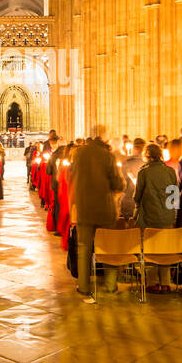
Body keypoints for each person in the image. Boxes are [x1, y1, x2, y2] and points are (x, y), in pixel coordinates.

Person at [67, 125, 125, 301]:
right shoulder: (107, 156)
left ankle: (84, 286)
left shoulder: (79, 154)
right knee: (107, 246)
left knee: (84, 248)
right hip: (104, 208)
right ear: (103, 138)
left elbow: (72, 175)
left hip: (84, 207)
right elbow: (117, 183)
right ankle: (110, 284)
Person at [134, 142, 179, 293]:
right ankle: (165, 282)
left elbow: (137, 196)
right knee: (165, 249)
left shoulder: (143, 172)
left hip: (149, 216)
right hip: (167, 216)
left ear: (146, 156)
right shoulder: (170, 171)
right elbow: (174, 196)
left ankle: (152, 282)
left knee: (151, 249)